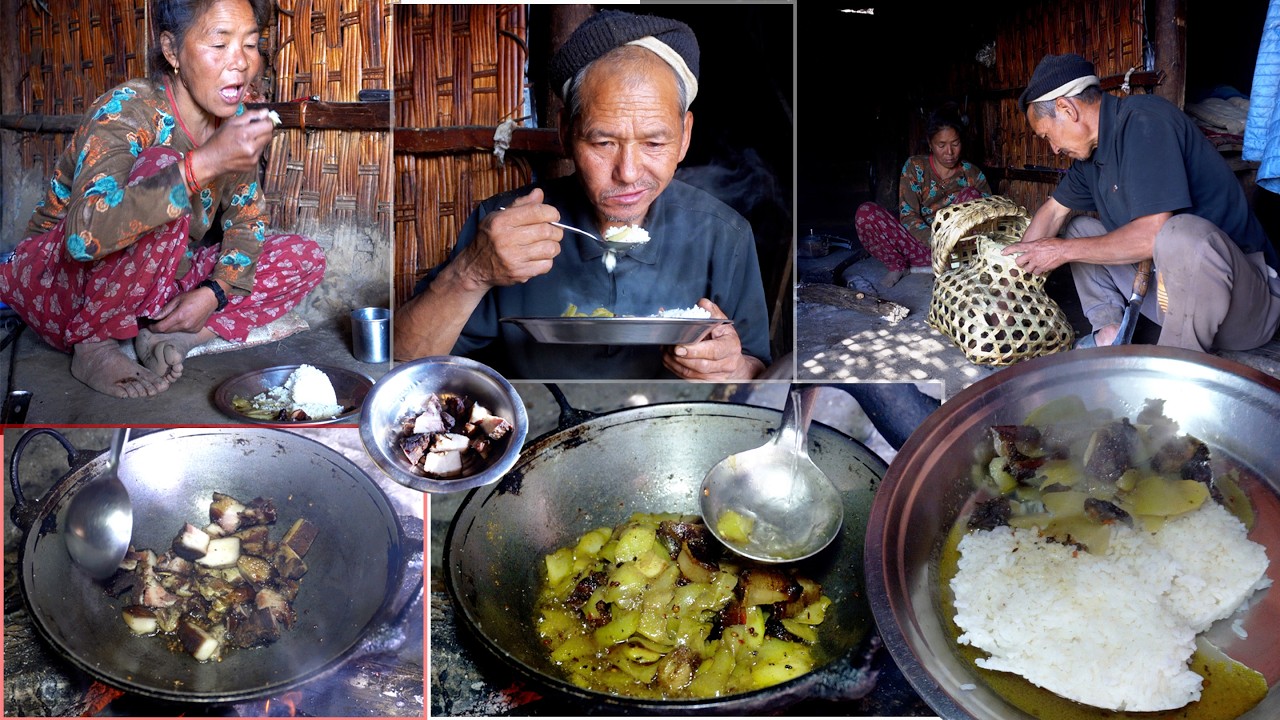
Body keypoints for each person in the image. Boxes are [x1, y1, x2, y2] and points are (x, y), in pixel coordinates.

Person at [393, 9, 771, 380]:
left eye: (655, 142)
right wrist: (471, 273)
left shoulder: (725, 235)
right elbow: (401, 364)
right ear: (565, 133)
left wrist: (732, 367)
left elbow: (759, 369)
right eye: (603, 142)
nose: (628, 173)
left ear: (685, 136)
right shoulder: (502, 228)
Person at [0, 0, 326, 398]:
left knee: (303, 256)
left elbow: (247, 221)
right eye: (220, 44)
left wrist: (214, 293)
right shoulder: (126, 111)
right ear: (172, 51)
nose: (240, 63)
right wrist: (199, 167)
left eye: (251, 44)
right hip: (61, 284)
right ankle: (96, 344)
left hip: (157, 280)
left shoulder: (233, 121)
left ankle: (173, 336)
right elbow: (82, 237)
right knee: (163, 167)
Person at [1003, 53, 1280, 351]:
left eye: (1048, 136)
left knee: (1179, 234)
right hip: (1172, 300)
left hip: (1242, 308)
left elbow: (1152, 235)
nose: (1054, 148)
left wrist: (1060, 251)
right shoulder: (1089, 158)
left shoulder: (1146, 120)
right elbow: (1053, 211)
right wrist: (1012, 280)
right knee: (1079, 229)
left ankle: (1173, 365)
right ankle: (1109, 332)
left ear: (1066, 109)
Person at [854, 106, 991, 289]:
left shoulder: (972, 173)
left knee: (973, 197)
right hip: (916, 245)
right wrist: (935, 242)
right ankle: (898, 265)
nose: (949, 152)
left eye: (955, 143)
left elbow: (989, 217)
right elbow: (908, 216)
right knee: (865, 213)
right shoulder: (915, 167)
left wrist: (948, 245)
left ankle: (951, 267)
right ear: (930, 143)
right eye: (941, 145)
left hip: (954, 252)